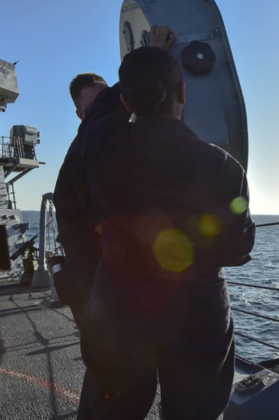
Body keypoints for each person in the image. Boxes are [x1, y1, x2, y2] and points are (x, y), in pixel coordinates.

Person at [76, 46, 255, 420]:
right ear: (183, 93)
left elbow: (97, 113)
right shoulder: (224, 168)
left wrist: (138, 67)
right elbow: (236, 250)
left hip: (117, 310)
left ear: (126, 100)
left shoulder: (102, 144)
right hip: (197, 317)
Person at [53, 28, 177, 340]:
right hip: (94, 286)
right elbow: (101, 226)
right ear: (82, 113)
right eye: (97, 106)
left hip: (104, 279)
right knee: (113, 372)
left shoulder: (111, 146)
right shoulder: (85, 153)